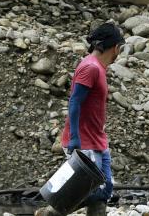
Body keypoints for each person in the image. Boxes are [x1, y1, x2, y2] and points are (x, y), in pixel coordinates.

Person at [38, 23, 125, 216]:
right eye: (120, 48)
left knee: (105, 189)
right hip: (84, 141)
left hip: (98, 139)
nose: (119, 53)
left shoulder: (99, 68)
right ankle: (51, 213)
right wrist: (75, 137)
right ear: (115, 47)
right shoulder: (90, 67)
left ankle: (52, 212)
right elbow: (75, 102)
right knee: (87, 191)